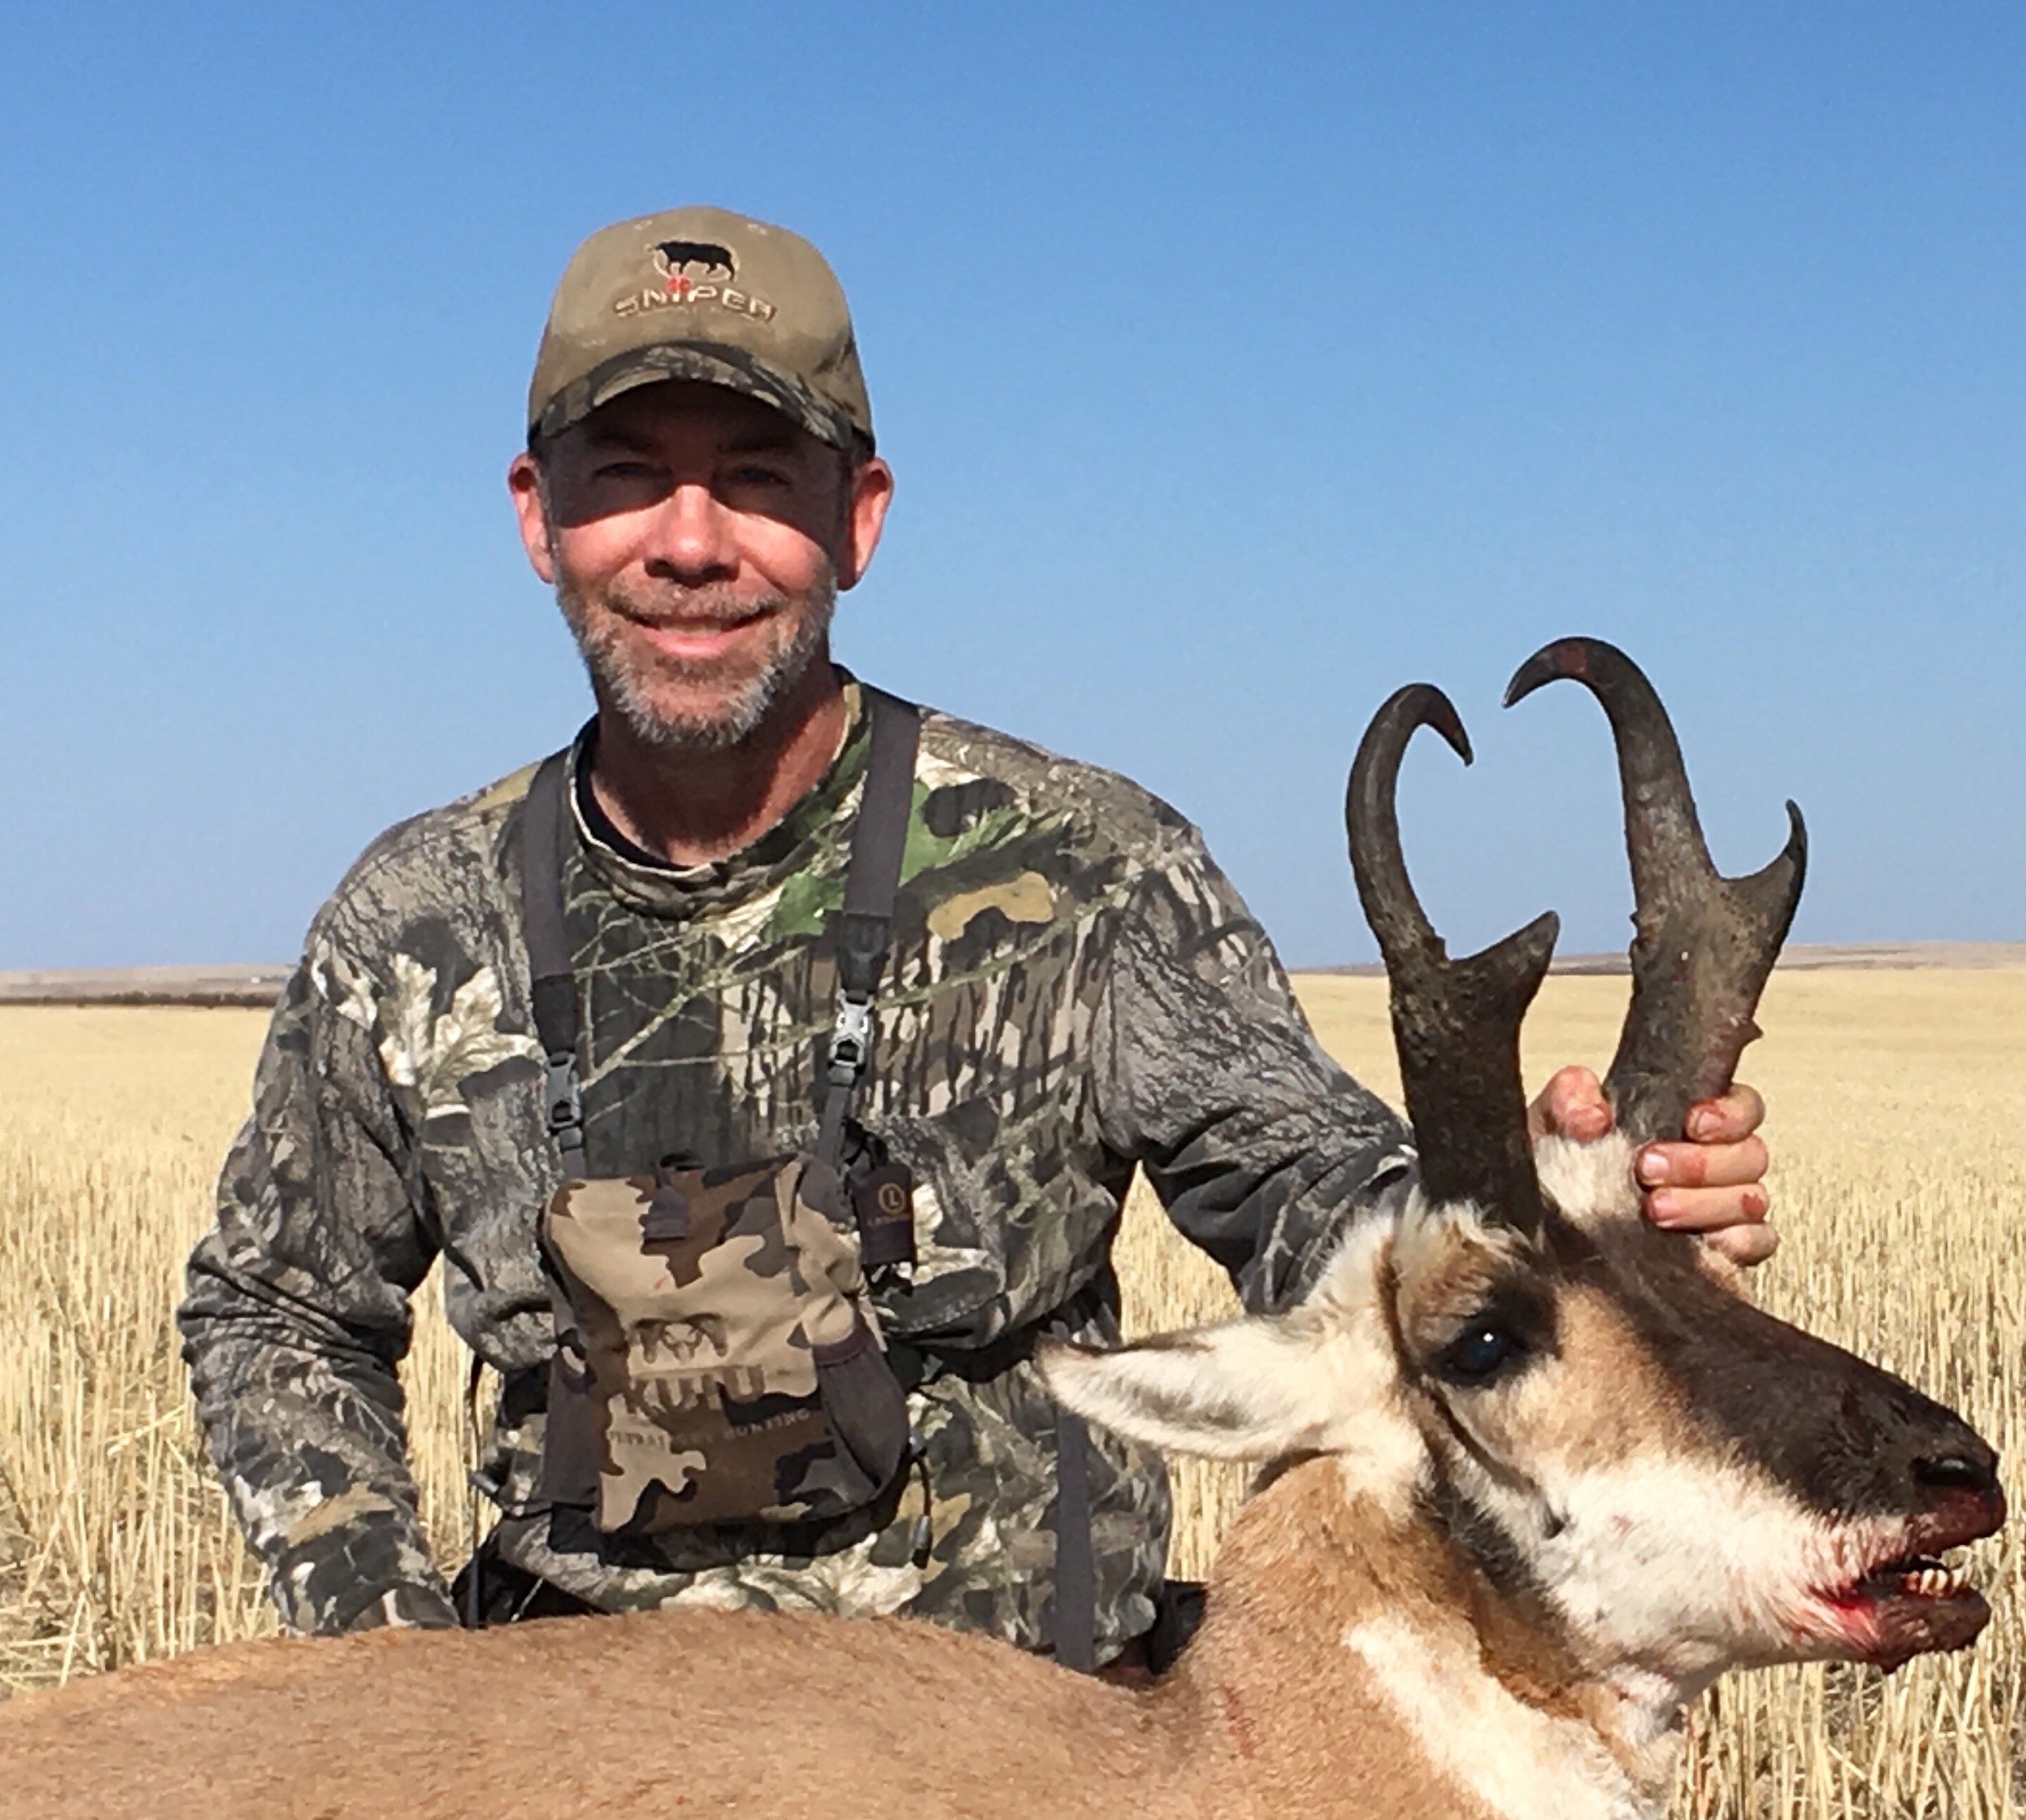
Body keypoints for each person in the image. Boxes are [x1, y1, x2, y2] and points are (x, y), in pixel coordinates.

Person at [181, 206, 1777, 1668]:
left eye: (754, 473)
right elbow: (274, 1312)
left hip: (1029, 1782)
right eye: (625, 473)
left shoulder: (1086, 870)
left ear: (857, 517)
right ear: (539, 518)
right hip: (576, 1783)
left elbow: (1319, 1203)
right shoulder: (414, 923)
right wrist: (392, 1675)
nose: (688, 540)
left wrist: (1557, 1228)